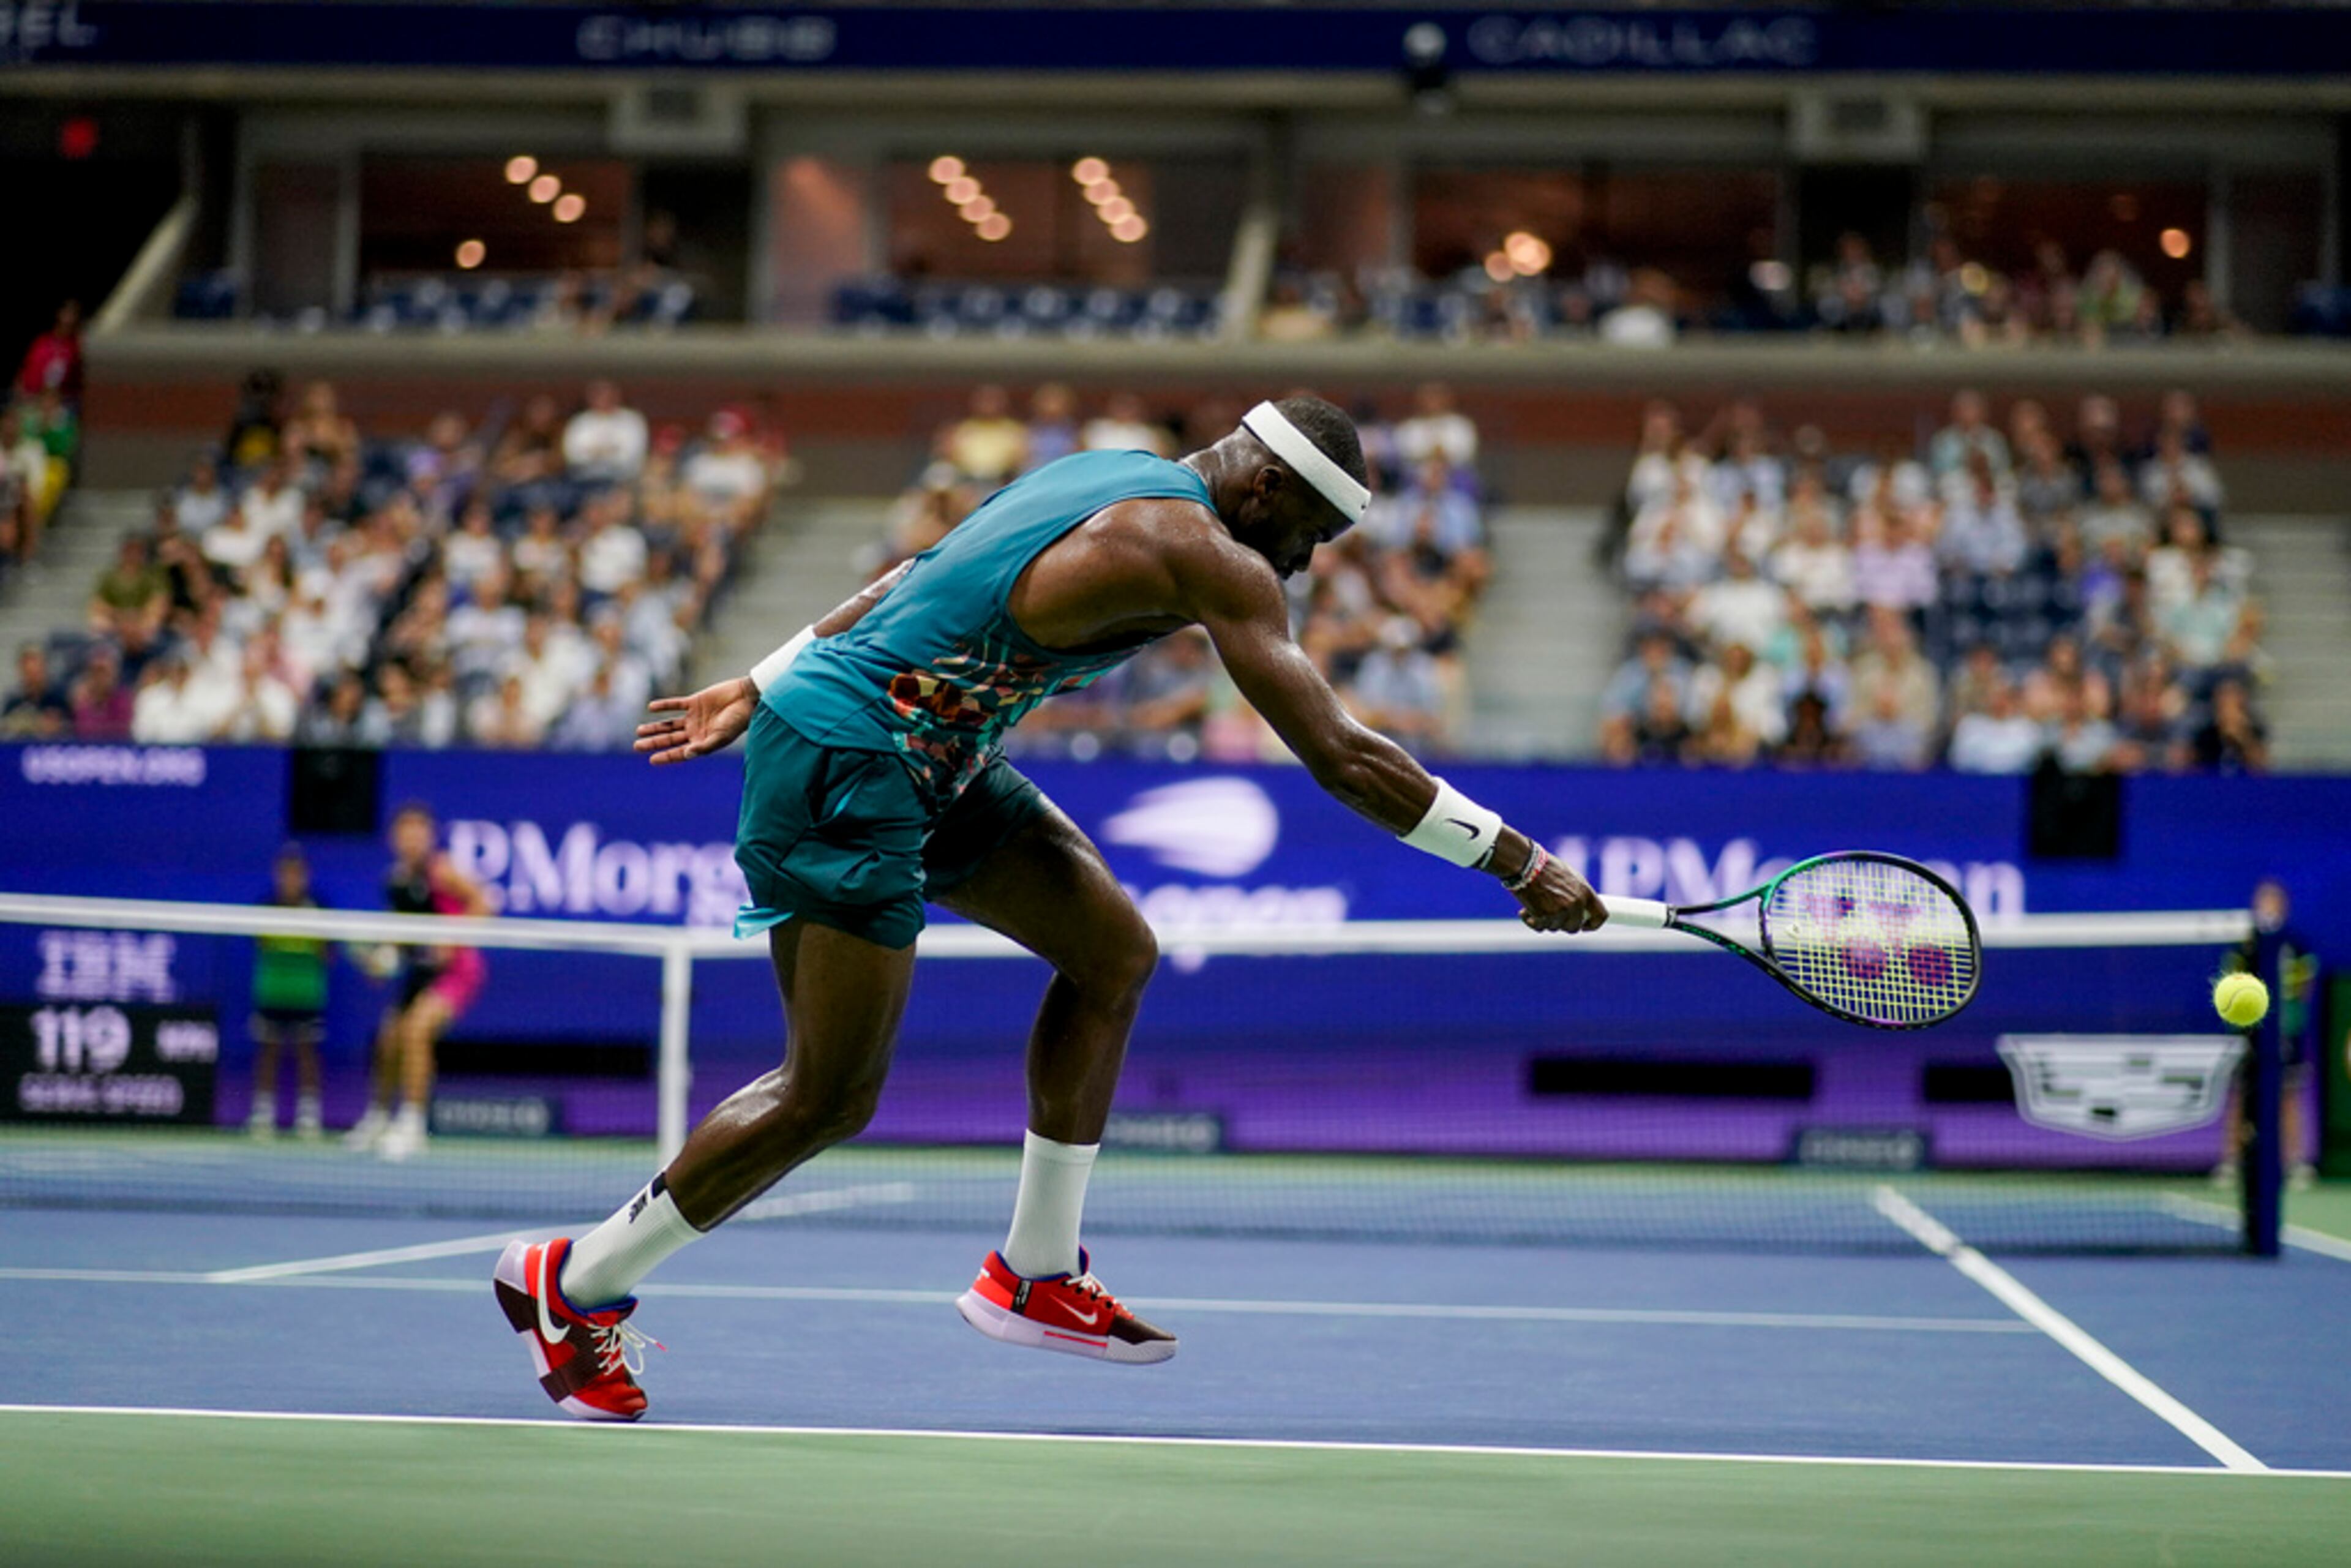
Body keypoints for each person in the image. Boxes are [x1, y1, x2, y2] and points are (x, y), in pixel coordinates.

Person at [491, 396, 1605, 1420]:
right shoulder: (1208, 555)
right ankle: (572, 1283)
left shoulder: (1106, 467)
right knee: (827, 1093)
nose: (1306, 563)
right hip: (850, 756)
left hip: (934, 751)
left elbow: (913, 572)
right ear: (1266, 486)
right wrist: (1517, 860)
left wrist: (761, 676)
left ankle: (1034, 1271)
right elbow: (1343, 755)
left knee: (1112, 953)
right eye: (1310, 533)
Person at [346, 803, 492, 1162]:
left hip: (458, 970)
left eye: (419, 832)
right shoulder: (395, 881)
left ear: (429, 836)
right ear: (394, 839)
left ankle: (412, 1124)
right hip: (420, 973)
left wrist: (452, 937)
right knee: (388, 1041)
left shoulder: (442, 871)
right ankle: (379, 1118)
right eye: (405, 833)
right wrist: (382, 960)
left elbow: (485, 903)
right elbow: (401, 937)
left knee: (416, 1030)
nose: (412, 840)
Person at [2213, 879, 2317, 1192]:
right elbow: (2230, 984)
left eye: (2273, 903)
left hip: (2286, 1034)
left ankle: (2295, 1162)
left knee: (2288, 1096)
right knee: (2242, 1094)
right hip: (2248, 1034)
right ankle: (2232, 1162)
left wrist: (2284, 1017)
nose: (2268, 909)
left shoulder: (2297, 945)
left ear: (2283, 908)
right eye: (2263, 902)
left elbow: (2304, 987)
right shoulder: (2243, 946)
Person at [249, 844, 333, 1140]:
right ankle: (263, 1112)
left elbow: (328, 954)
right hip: (271, 994)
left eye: (297, 873)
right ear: (278, 875)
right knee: (268, 1051)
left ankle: (309, 1113)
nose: (291, 879)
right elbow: (260, 946)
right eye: (286, 873)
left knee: (307, 1053)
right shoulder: (266, 908)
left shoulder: (319, 909)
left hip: (307, 996)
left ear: (305, 876)